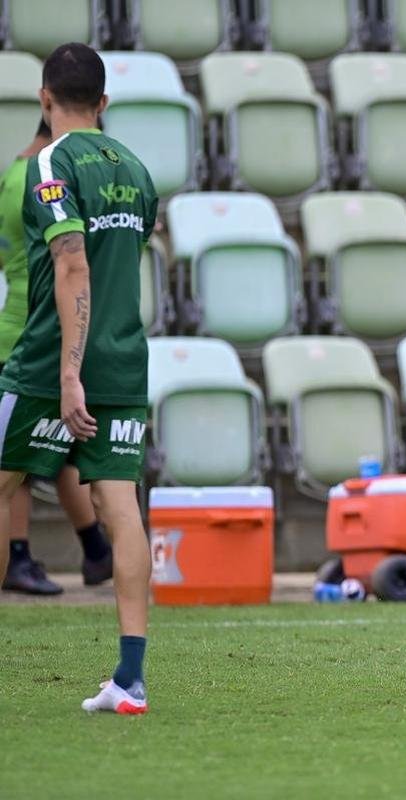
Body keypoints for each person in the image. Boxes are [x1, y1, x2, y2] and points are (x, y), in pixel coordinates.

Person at [0, 43, 158, 711]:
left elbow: (72, 268)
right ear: (103, 103)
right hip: (125, 358)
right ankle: (130, 679)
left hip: (48, 359)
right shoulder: (137, 168)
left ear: (44, 98)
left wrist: (68, 375)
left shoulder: (48, 163)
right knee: (121, 511)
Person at [0, 119, 113, 596]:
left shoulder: (10, 175)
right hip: (38, 330)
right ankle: (20, 555)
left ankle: (95, 550)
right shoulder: (47, 177)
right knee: (17, 464)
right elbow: (72, 259)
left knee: (62, 448)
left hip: (23, 326)